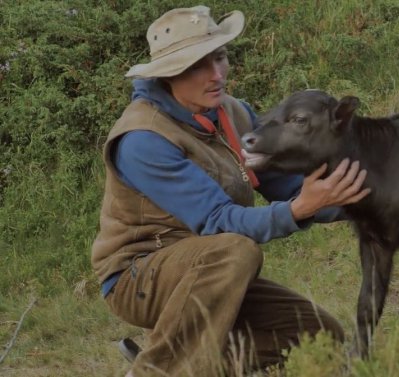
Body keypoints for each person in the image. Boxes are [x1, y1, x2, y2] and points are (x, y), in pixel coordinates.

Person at [91, 5, 370, 377]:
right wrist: (299, 209)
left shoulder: (234, 114)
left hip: (212, 266)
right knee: (236, 249)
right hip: (139, 276)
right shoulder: (143, 139)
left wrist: (362, 197)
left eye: (220, 57)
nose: (216, 74)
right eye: (198, 65)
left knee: (320, 338)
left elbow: (283, 184)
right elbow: (219, 222)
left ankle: (182, 359)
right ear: (169, 74)